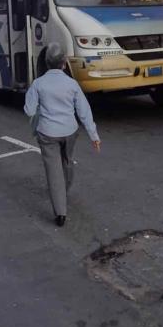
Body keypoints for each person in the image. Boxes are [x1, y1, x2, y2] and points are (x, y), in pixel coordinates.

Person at [23, 43, 101, 227]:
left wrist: (41, 108)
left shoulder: (38, 84)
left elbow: (29, 110)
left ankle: (60, 213)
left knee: (53, 171)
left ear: (46, 63)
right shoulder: (72, 84)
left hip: (47, 133)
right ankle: (64, 190)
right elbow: (84, 111)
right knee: (67, 161)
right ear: (64, 63)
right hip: (70, 131)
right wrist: (94, 135)